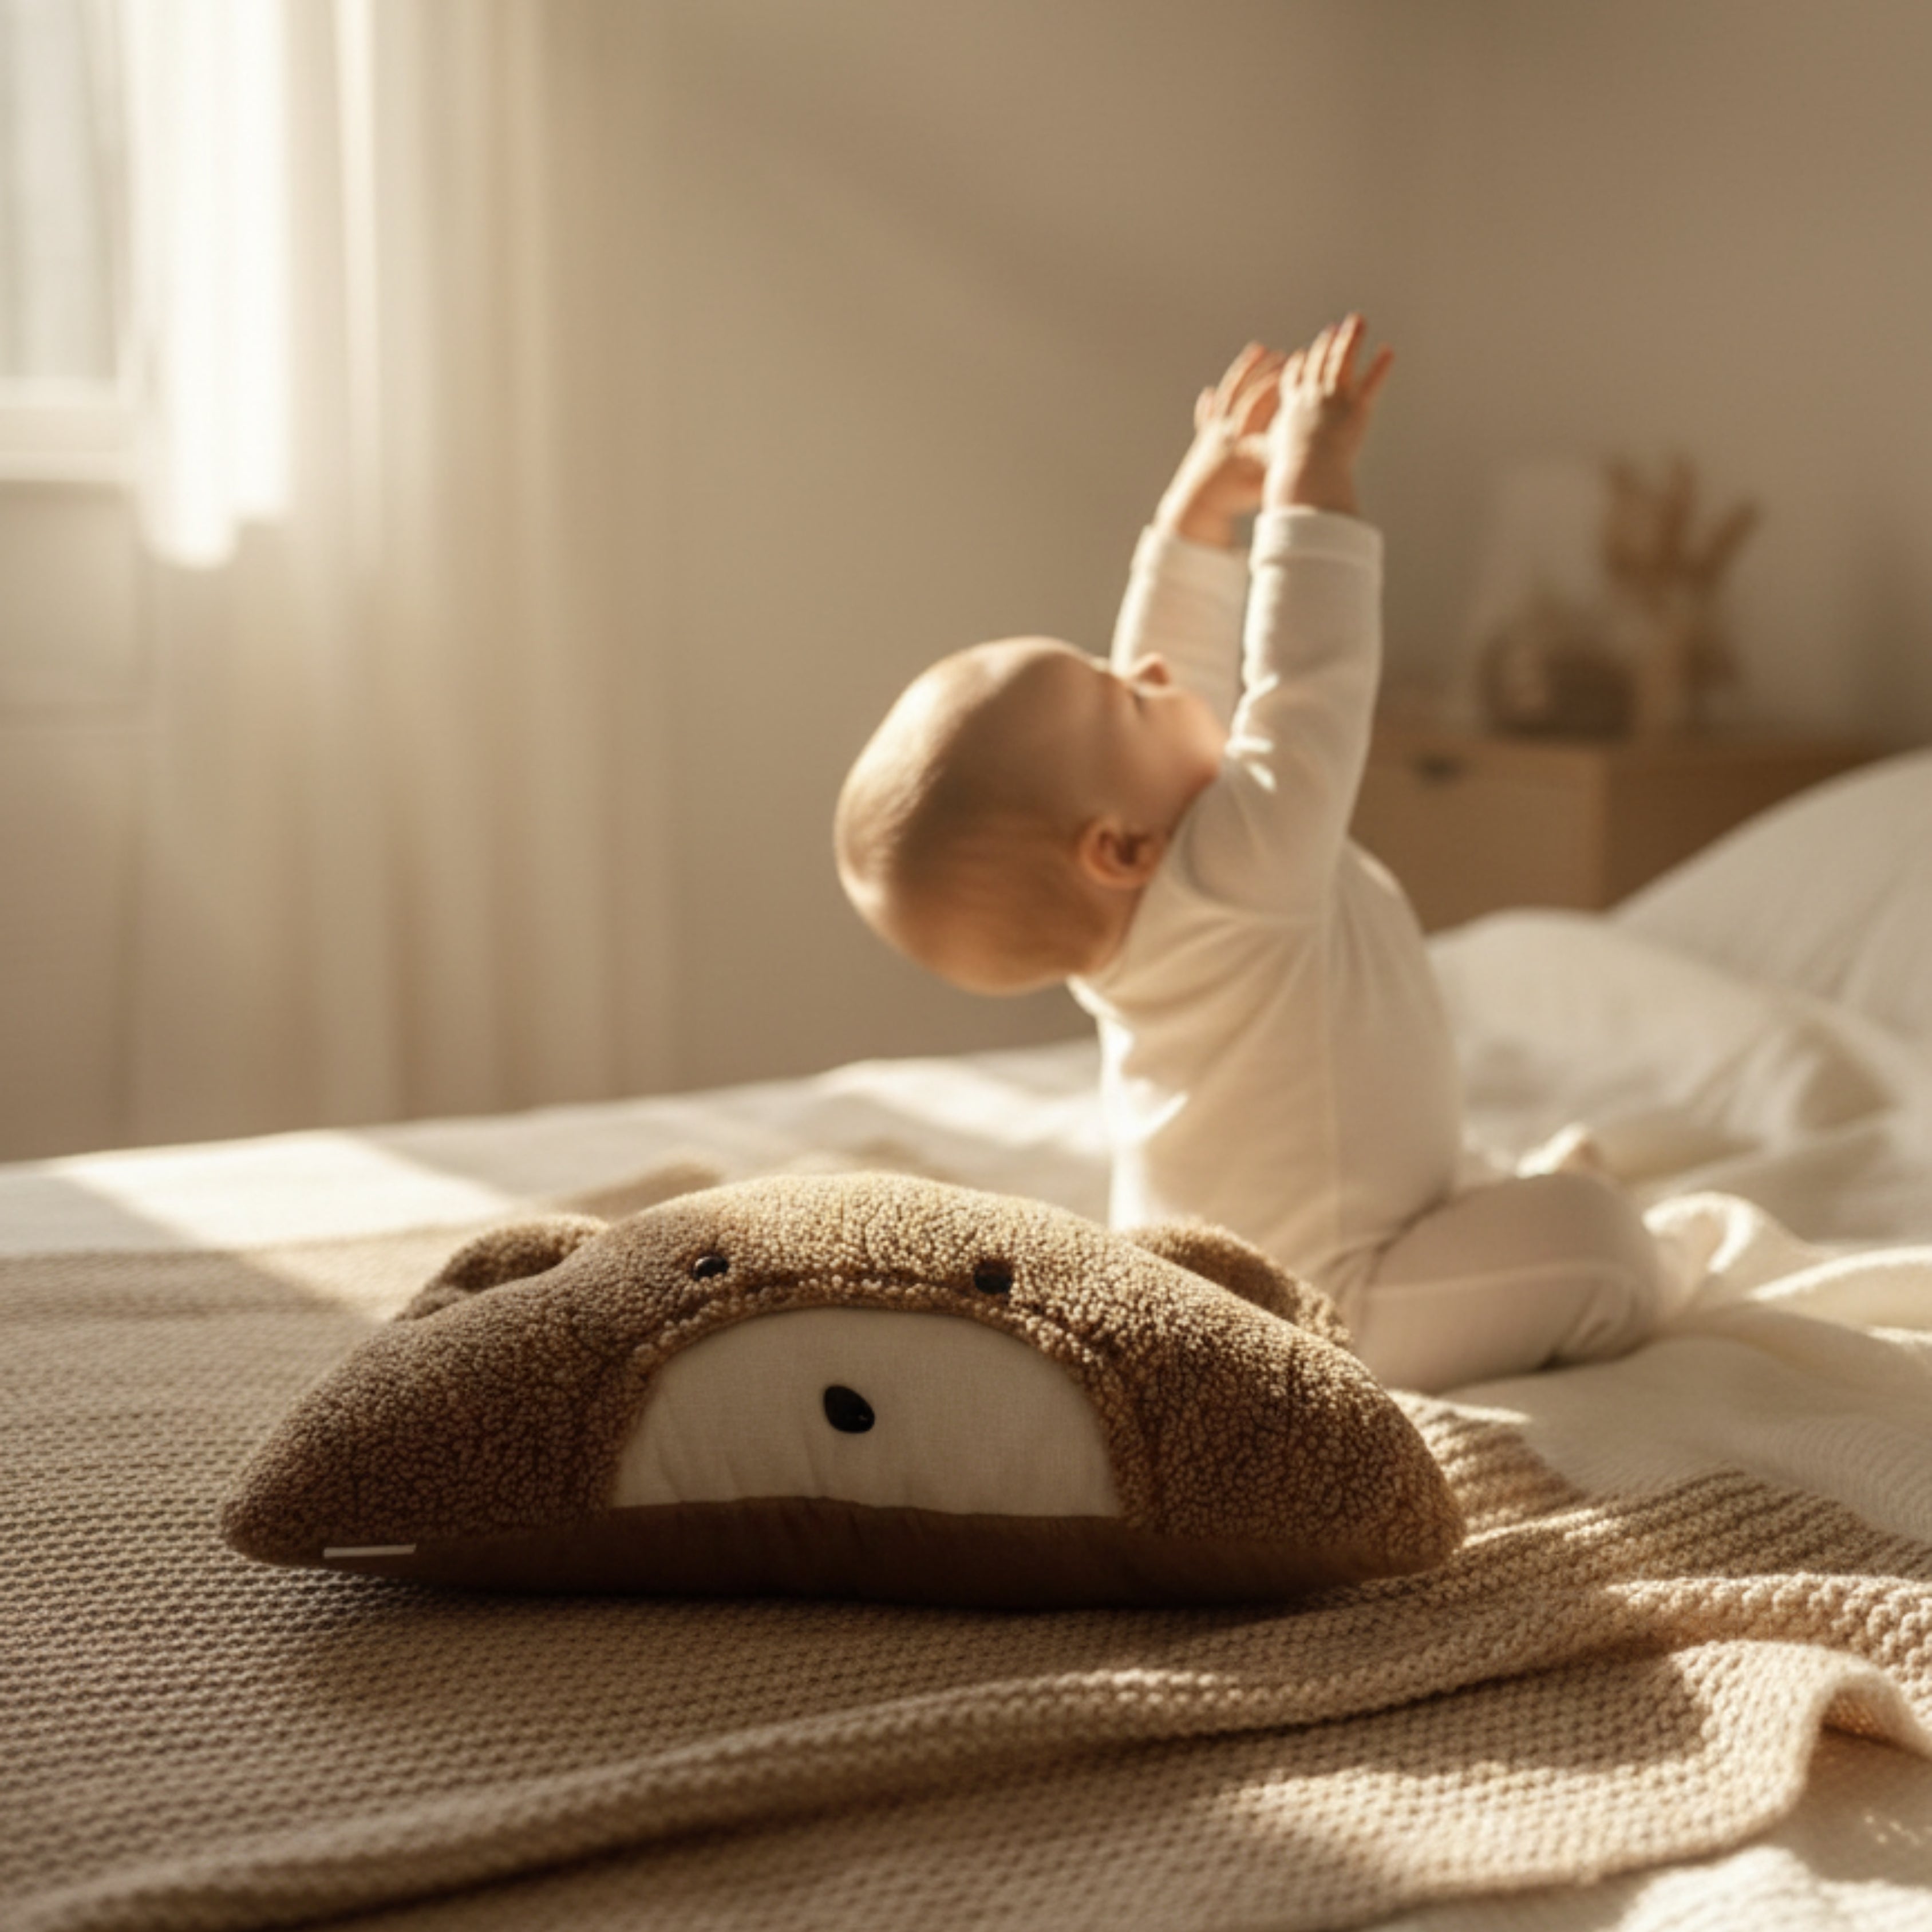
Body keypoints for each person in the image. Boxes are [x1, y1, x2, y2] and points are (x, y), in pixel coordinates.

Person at [835, 319, 1667, 1392]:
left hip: (1216, 1269)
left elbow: (1186, 681)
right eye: (1124, 693)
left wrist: (1195, 513)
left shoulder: (1167, 893)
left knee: (1513, 1192)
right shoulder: (1236, 877)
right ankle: (1623, 1264)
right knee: (1600, 1241)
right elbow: (1306, 686)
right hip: (1333, 1301)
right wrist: (1308, 489)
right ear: (1118, 847)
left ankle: (1469, 1213)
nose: (1146, 666)